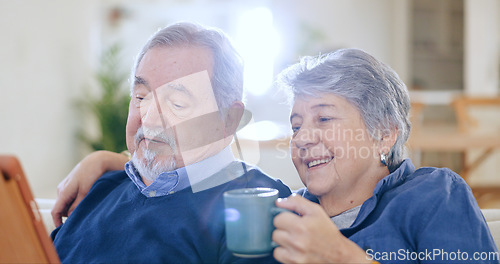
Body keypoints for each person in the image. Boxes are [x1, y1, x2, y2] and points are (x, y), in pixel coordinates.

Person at [54, 48, 499, 263]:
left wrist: (344, 259)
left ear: (385, 134)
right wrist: (121, 161)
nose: (303, 137)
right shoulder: (285, 206)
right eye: (296, 124)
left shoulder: (434, 195)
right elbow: (212, 169)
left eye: (324, 119)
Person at [50, 22, 291, 263]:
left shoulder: (258, 204)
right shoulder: (100, 187)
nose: (150, 119)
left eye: (177, 104)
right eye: (141, 98)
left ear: (229, 120)